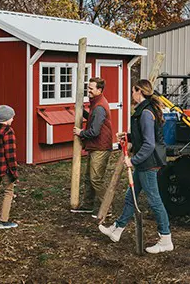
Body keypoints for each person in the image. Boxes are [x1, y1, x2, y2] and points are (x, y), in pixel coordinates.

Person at [98, 79, 173, 254]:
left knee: (154, 200)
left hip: (148, 162)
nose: (131, 94)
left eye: (133, 91)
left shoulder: (146, 113)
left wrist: (133, 160)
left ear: (139, 91)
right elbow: (144, 136)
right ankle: (117, 229)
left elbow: (149, 144)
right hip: (145, 162)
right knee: (130, 196)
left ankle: (166, 238)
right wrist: (128, 136)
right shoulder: (144, 111)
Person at [72, 77, 113, 217]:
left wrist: (81, 133)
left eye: (91, 88)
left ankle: (107, 208)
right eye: (88, 87)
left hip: (100, 147)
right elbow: (93, 118)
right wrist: (82, 112)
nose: (88, 90)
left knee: (96, 179)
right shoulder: (96, 103)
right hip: (95, 146)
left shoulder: (100, 106)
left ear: (99, 90)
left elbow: (95, 131)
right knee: (89, 177)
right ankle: (87, 205)